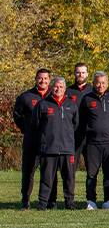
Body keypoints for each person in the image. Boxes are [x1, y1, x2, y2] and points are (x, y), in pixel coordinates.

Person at [30, 77, 79, 210]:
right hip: (48, 148)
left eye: (61, 87)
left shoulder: (71, 105)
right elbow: (35, 124)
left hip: (67, 149)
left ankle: (69, 203)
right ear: (51, 88)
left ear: (65, 89)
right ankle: (42, 204)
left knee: (69, 178)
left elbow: (75, 125)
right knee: (46, 178)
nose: (58, 89)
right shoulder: (42, 104)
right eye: (56, 87)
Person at [78, 71, 109, 210]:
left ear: (107, 83)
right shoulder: (87, 99)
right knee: (91, 174)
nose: (101, 85)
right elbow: (82, 119)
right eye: (98, 82)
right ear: (93, 83)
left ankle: (108, 201)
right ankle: (91, 201)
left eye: (103, 82)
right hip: (92, 143)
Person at [13, 68, 51, 209]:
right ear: (36, 79)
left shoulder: (54, 96)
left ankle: (48, 201)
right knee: (28, 171)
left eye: (45, 78)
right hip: (32, 141)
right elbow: (17, 115)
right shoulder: (26, 96)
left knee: (48, 172)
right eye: (40, 78)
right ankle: (25, 200)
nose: (43, 81)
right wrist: (26, 129)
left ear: (49, 80)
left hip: (49, 142)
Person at [66, 62, 94, 163]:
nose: (80, 75)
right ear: (74, 73)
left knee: (91, 166)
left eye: (83, 72)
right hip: (73, 134)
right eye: (78, 72)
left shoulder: (93, 91)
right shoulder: (67, 91)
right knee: (71, 164)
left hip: (90, 134)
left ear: (87, 74)